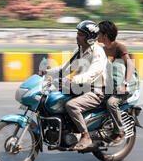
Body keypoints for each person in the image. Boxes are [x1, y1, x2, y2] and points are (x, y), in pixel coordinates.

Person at [45, 20, 108, 151]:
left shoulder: (98, 52)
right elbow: (65, 69)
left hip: (95, 91)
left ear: (89, 37)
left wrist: (75, 79)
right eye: (77, 33)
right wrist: (47, 72)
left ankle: (86, 136)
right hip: (80, 88)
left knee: (71, 105)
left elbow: (93, 72)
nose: (77, 37)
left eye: (80, 34)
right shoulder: (79, 50)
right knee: (52, 96)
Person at [98, 20, 135, 143]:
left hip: (123, 87)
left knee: (111, 103)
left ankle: (120, 130)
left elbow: (130, 64)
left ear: (105, 36)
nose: (96, 36)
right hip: (110, 86)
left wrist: (124, 83)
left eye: (99, 33)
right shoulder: (102, 50)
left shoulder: (119, 47)